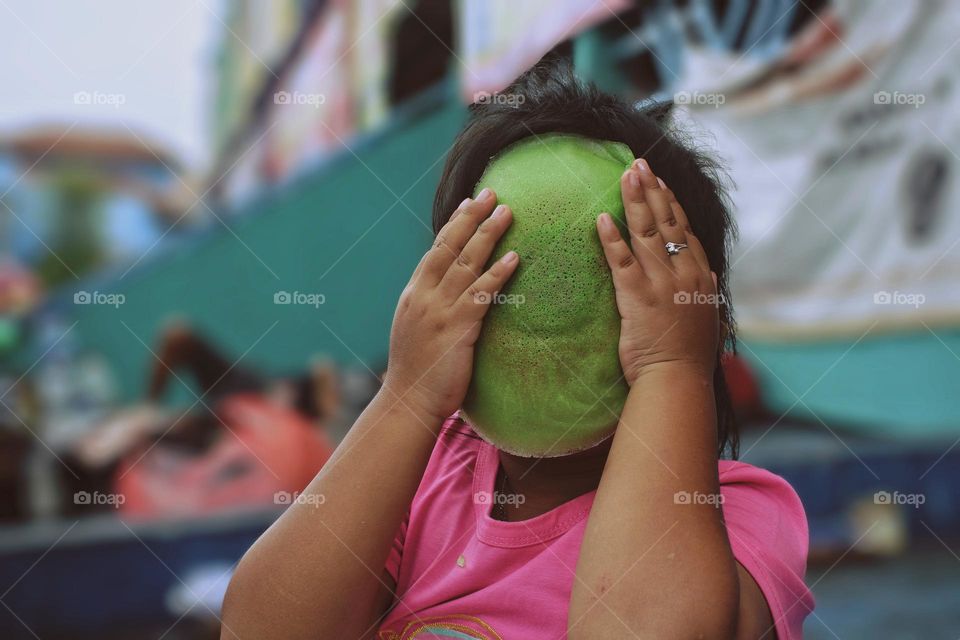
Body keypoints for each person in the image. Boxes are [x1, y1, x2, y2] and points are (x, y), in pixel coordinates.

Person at [221, 58, 814, 639]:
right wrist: (409, 394)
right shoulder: (428, 477)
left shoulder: (738, 511)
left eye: (606, 281)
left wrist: (670, 371)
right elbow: (260, 627)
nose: (541, 319)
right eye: (491, 276)